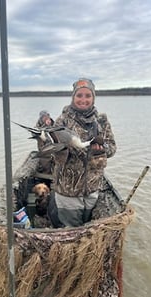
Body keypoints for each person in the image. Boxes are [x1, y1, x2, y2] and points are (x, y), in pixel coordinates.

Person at [49, 78, 116, 227]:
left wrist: (101, 150)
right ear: (73, 97)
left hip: (93, 188)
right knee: (71, 230)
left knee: (89, 226)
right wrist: (60, 148)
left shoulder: (101, 120)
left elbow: (112, 148)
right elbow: (53, 154)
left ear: (93, 97)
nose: (83, 99)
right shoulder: (62, 121)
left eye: (88, 95)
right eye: (79, 95)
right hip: (68, 191)